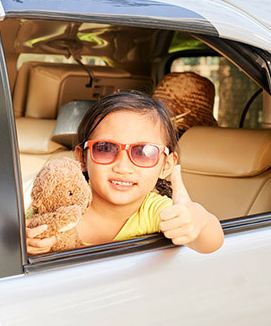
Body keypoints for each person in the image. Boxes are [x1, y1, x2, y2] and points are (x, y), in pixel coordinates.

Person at [26, 91, 223, 254]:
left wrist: (199, 222)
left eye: (143, 152)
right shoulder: (59, 203)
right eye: (105, 148)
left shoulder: (158, 211)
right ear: (82, 158)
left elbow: (211, 243)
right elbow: (22, 237)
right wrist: (29, 244)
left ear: (166, 165)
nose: (122, 167)